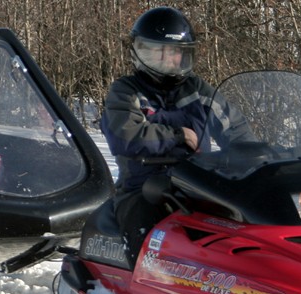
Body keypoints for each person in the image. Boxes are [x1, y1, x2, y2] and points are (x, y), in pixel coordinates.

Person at [100, 6, 253, 266]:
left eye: (175, 53)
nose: (169, 60)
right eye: (160, 52)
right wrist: (178, 135)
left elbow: (237, 130)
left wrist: (258, 156)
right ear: (143, 53)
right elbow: (125, 135)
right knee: (148, 238)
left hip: (197, 185)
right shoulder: (127, 90)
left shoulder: (199, 91)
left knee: (240, 227)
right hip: (143, 188)